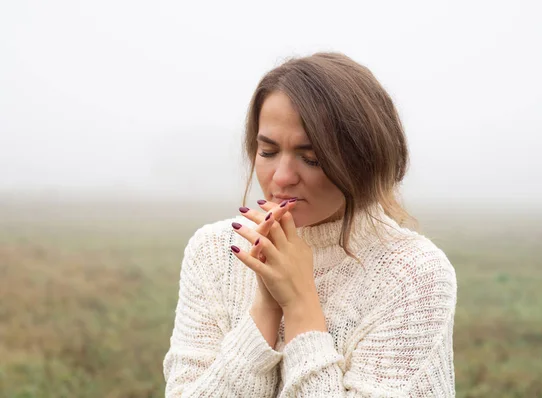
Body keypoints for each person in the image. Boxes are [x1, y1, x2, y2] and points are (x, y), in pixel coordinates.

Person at [163, 52, 457, 397]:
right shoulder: (214, 251)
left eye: (312, 158)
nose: (282, 178)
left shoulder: (412, 274)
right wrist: (265, 308)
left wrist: (301, 304)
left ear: (366, 158)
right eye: (268, 152)